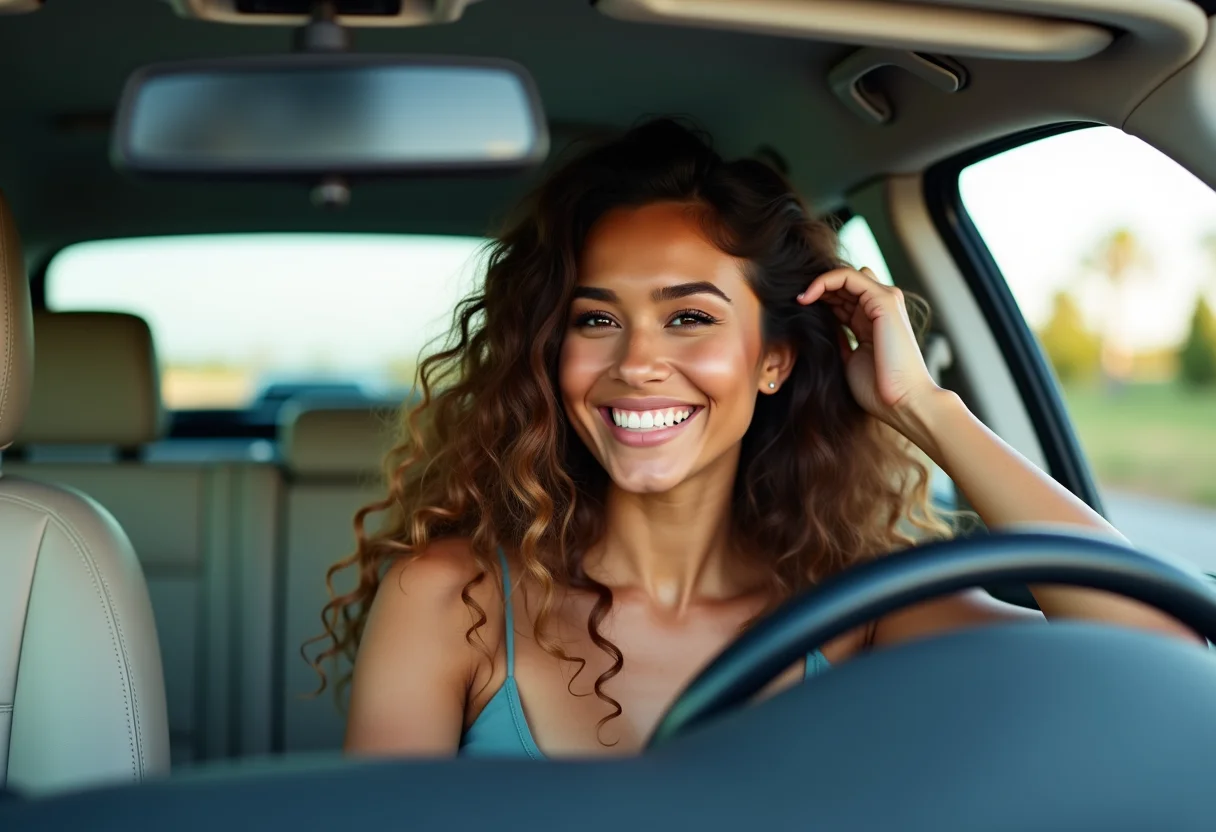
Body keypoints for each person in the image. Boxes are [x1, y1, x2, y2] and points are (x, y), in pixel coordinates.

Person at [305, 118, 1197, 759]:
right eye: (595, 320)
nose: (638, 364)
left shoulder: (859, 610)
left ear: (773, 360)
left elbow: (1158, 648)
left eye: (689, 316)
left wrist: (922, 406)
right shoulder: (450, 601)